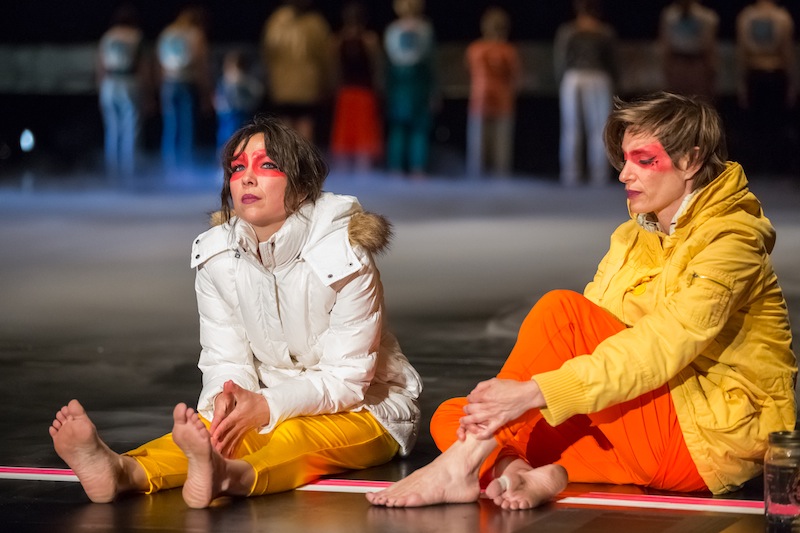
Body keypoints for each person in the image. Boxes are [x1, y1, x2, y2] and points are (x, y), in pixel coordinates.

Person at [366, 92, 796, 510]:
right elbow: (589, 343)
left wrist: (532, 393)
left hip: (703, 441)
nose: (625, 174)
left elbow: (662, 346)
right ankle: (525, 471)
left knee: (561, 314)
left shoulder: (732, 239)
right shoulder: (633, 236)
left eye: (643, 160)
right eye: (624, 160)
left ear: (691, 161)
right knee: (458, 414)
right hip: (639, 434)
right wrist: (518, 401)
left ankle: (464, 465)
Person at [49, 115, 423, 509]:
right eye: (237, 167)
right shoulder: (216, 255)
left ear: (302, 184)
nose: (246, 178)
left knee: (292, 438)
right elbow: (224, 355)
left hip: (369, 407)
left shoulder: (345, 258)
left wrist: (267, 405)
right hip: (264, 397)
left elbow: (346, 381)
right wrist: (226, 398)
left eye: (267, 166)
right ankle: (122, 472)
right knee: (218, 430)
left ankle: (225, 475)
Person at [554, 0, 617, 187]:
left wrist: (561, 81)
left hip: (574, 77)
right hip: (598, 76)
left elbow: (561, 59)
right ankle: (599, 175)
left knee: (571, 127)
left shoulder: (568, 31)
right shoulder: (604, 32)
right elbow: (612, 62)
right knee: (599, 128)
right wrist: (615, 83)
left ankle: (570, 174)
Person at [735, 0, 797, 175]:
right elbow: (787, 52)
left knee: (763, 123)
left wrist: (741, 82)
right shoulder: (781, 17)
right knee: (768, 123)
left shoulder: (748, 17)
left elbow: (742, 52)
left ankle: (764, 165)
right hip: (768, 74)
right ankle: (768, 165)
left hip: (764, 74)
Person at [261, 0, 333, 144]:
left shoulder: (275, 22)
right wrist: (326, 84)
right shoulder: (316, 24)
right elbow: (326, 58)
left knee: (285, 126)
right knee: (306, 125)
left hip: (281, 87)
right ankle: (303, 163)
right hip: (308, 86)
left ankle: (287, 162)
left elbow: (268, 54)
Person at [464, 7, 521, 179]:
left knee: (477, 149)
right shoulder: (509, 51)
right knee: (502, 150)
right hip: (503, 100)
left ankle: (476, 183)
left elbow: (469, 71)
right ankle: (501, 186)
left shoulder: (474, 49)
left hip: (480, 99)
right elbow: (515, 76)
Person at [329, 1, 384, 175]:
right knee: (364, 135)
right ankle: (363, 172)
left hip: (346, 93)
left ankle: (345, 172)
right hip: (364, 92)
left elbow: (334, 68)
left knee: (345, 134)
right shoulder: (370, 40)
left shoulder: (337, 41)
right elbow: (377, 67)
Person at [383, 0, 437, 178]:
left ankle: (396, 167)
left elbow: (390, 57)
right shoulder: (425, 29)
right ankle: (417, 168)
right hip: (416, 79)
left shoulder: (392, 30)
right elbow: (429, 58)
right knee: (418, 127)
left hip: (401, 79)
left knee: (399, 126)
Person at [156, 5, 212, 175]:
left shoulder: (167, 33)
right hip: (187, 81)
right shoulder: (195, 34)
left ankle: (169, 165)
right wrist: (206, 91)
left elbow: (159, 62)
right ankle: (185, 165)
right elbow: (201, 65)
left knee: (170, 124)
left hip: (168, 82)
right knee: (187, 124)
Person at [96, 3, 150, 182]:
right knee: (131, 129)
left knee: (112, 130)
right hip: (129, 81)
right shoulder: (136, 36)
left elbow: (101, 66)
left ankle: (113, 173)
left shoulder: (107, 37)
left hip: (109, 83)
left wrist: (100, 89)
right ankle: (129, 174)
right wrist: (147, 92)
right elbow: (142, 65)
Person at [659, 0, 719, 102]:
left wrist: (712, 70)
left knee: (699, 99)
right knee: (676, 100)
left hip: (698, 63)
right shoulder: (669, 15)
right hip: (677, 62)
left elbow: (710, 46)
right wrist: (666, 67)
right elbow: (665, 43)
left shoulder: (707, 16)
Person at [213, 49, 263, 153]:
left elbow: (257, 91)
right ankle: (224, 152)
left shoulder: (244, 80)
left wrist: (249, 102)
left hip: (241, 112)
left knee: (241, 132)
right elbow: (219, 95)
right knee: (226, 133)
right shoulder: (224, 80)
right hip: (227, 112)